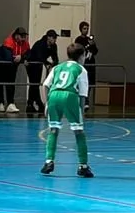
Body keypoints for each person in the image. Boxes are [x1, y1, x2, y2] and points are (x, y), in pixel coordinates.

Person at [39, 44, 95, 178]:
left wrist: (46, 103)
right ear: (81, 56)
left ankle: (48, 162)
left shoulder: (57, 67)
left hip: (53, 95)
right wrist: (81, 112)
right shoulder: (81, 69)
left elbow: (45, 85)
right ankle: (83, 165)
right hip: (70, 96)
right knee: (79, 132)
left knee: (53, 130)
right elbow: (82, 94)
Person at [0, 26, 28, 115]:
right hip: (0, 64)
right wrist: (20, 58)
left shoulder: (24, 43)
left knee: (11, 83)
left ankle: (10, 103)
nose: (23, 39)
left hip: (12, 66)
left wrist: (21, 57)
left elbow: (29, 53)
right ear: (16, 36)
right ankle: (1, 103)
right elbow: (8, 58)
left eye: (24, 36)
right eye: (21, 36)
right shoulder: (8, 42)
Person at [24, 29, 53, 117]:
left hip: (39, 64)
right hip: (32, 63)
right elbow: (40, 56)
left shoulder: (53, 46)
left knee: (35, 84)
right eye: (53, 38)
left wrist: (54, 64)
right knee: (34, 83)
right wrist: (47, 63)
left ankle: (34, 102)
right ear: (48, 38)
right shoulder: (40, 44)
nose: (55, 40)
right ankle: (33, 103)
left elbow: (55, 56)